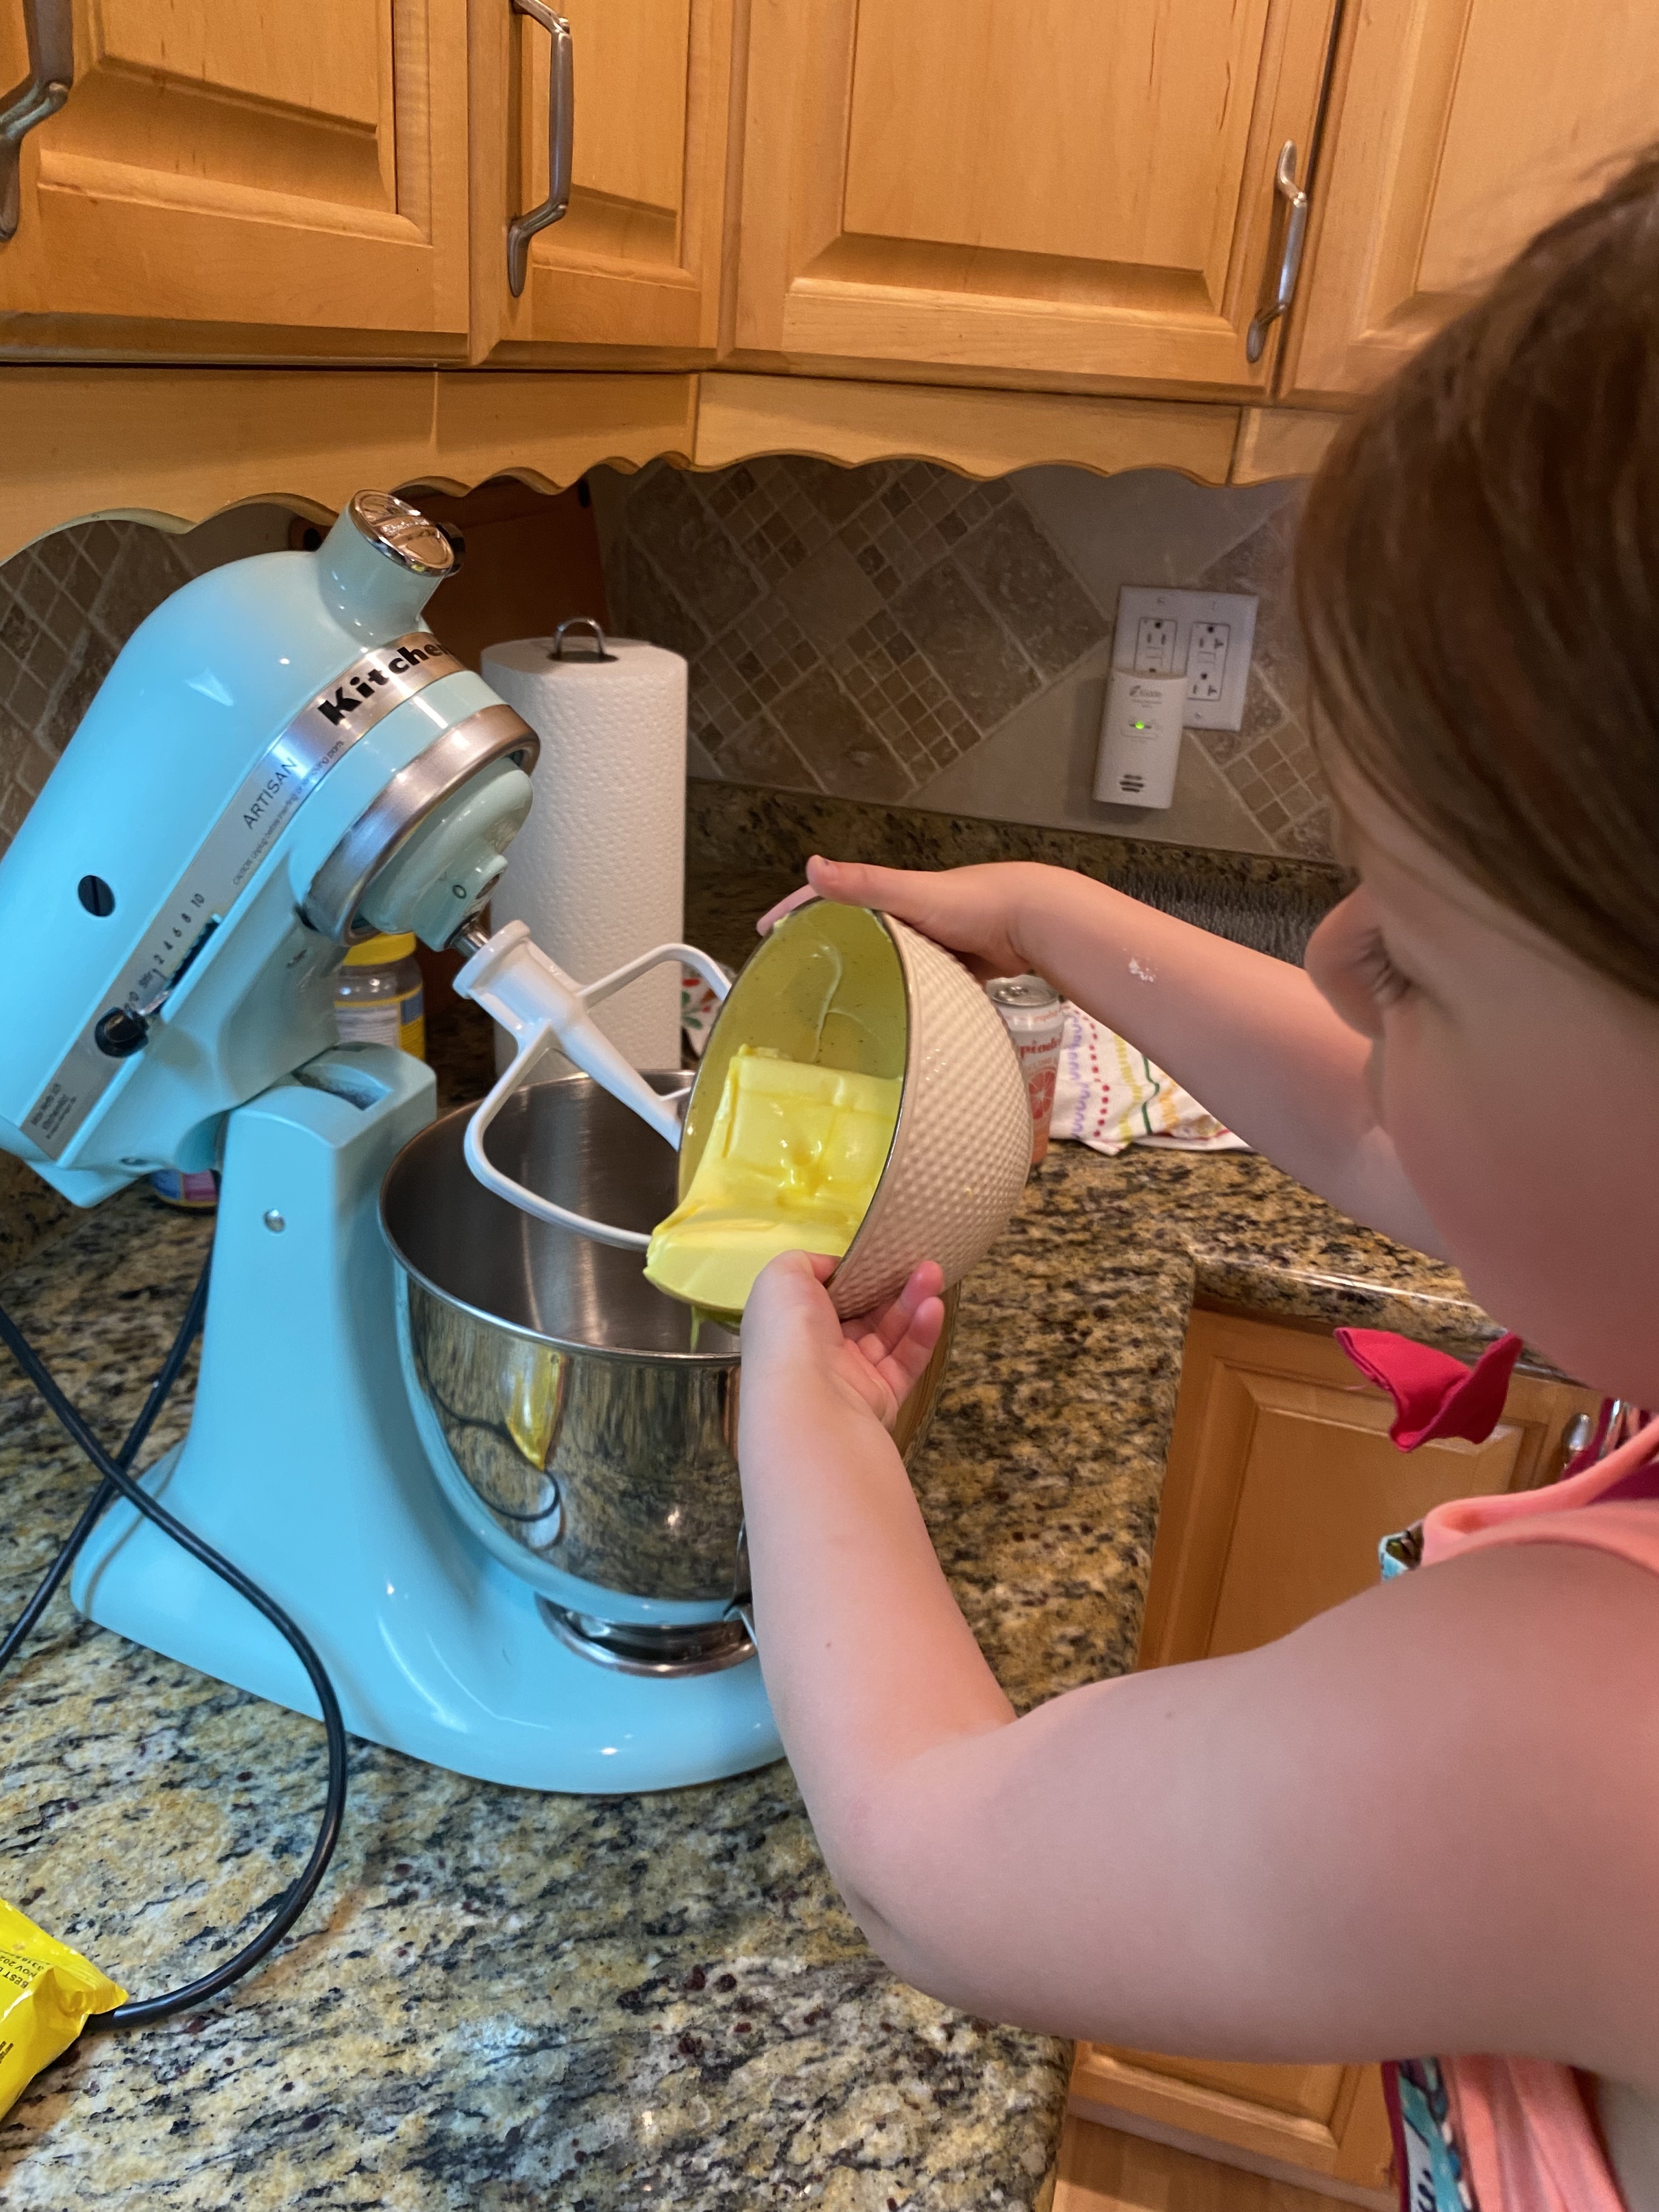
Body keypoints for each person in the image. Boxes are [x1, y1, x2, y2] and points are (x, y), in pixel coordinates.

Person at [736, 151, 1659, 2212]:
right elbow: (1392, 1119)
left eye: (1410, 942)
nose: (1336, 958)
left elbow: (934, 1858)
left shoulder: (1585, 1742)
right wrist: (1062, 917)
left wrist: (810, 1439)